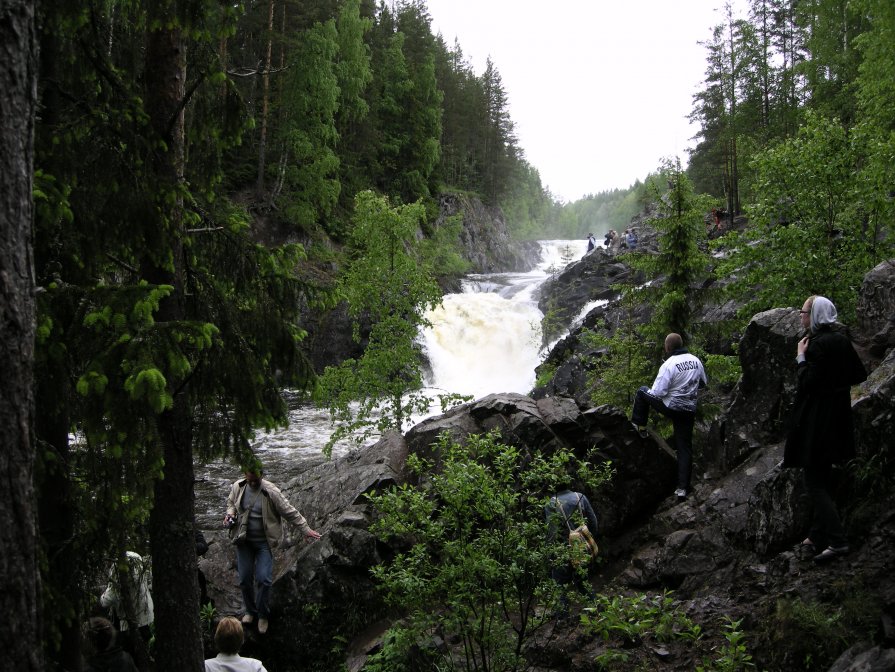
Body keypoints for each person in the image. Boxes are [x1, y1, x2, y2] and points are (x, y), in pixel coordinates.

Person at [783, 295, 867, 563]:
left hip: (818, 422)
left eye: (804, 312)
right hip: (838, 418)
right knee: (823, 478)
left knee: (814, 482)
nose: (801, 316)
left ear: (816, 315)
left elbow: (808, 382)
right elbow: (859, 375)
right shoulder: (841, 341)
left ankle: (837, 540)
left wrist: (800, 358)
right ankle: (817, 535)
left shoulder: (815, 346)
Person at [226, 468, 321, 634]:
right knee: (244, 578)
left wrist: (305, 529)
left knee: (264, 579)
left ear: (262, 475)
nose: (253, 483)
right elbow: (231, 503)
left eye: (256, 480)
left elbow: (289, 511)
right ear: (245, 476)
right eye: (250, 480)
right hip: (244, 541)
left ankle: (263, 614)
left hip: (264, 542)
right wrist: (230, 514)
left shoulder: (271, 492)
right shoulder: (238, 486)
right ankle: (250, 611)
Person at [631, 333, 707, 501]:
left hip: (671, 407)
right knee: (684, 448)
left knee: (642, 391)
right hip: (689, 410)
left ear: (668, 347)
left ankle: (639, 425)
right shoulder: (695, 360)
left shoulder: (669, 364)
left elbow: (658, 392)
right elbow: (703, 383)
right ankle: (682, 489)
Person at [545, 489, 599, 614]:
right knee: (583, 582)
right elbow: (593, 523)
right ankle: (595, 612)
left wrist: (549, 555)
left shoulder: (551, 503)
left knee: (559, 587)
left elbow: (551, 532)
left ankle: (563, 621)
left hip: (562, 551)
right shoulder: (580, 496)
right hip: (581, 550)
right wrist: (586, 542)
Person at [100, 551, 154, 643]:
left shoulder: (117, 566)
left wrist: (102, 595)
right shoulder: (136, 557)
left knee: (132, 650)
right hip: (147, 616)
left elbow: (107, 600)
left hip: (129, 623)